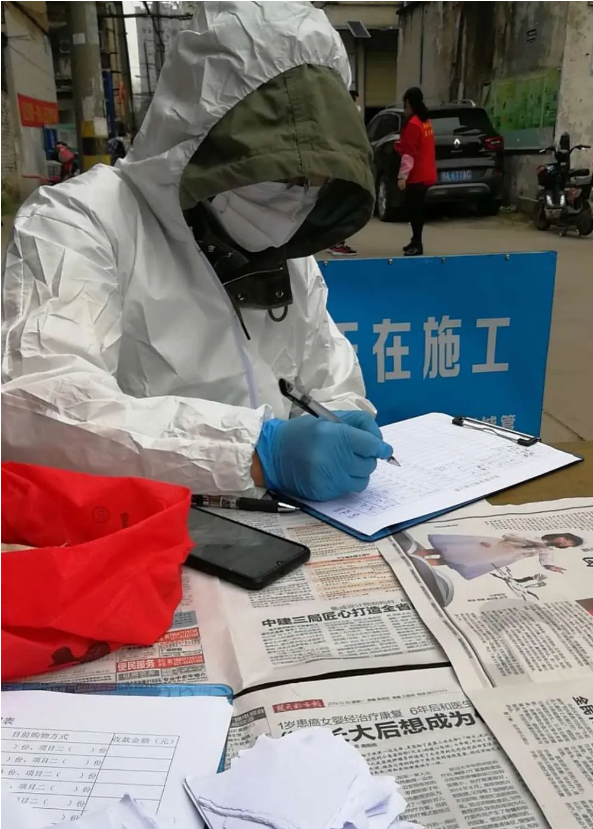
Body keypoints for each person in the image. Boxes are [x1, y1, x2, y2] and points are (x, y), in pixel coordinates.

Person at [1, 2, 391, 505]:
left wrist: (341, 418)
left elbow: (327, 375)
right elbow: (39, 404)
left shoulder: (290, 254)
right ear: (203, 141)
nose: (298, 198)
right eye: (280, 172)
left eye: (316, 180)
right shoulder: (79, 222)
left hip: (277, 525)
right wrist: (253, 453)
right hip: (133, 526)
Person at [414, 531, 583, 579]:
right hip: (494, 546)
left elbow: (545, 559)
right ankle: (416, 556)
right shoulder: (536, 537)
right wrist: (528, 541)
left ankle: (420, 565)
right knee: (453, 550)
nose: (564, 542)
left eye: (569, 544)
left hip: (503, 556)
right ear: (561, 535)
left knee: (457, 559)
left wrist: (551, 566)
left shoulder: (547, 550)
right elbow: (508, 536)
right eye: (566, 539)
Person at [395, 87, 436, 256]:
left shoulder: (413, 124)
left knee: (415, 211)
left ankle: (417, 244)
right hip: (427, 171)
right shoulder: (425, 121)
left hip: (417, 174)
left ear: (409, 103)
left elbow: (409, 154)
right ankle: (415, 239)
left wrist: (402, 177)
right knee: (417, 208)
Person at [327, 89, 362, 258]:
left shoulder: (337, 118)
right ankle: (337, 243)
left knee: (336, 205)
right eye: (355, 102)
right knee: (342, 206)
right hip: (342, 167)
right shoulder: (344, 121)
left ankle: (333, 241)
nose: (357, 106)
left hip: (338, 166)